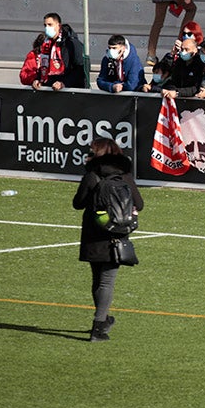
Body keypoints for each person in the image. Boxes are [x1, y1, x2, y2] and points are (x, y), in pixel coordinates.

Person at [72, 137, 143, 342]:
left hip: (94, 233)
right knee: (107, 281)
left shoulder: (92, 176)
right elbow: (140, 203)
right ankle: (98, 327)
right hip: (117, 233)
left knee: (98, 280)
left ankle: (101, 321)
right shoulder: (125, 176)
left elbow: (78, 203)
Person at [31, 13, 86, 90]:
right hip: (49, 88)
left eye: (50, 25)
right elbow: (44, 66)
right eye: (45, 25)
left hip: (69, 90)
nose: (47, 28)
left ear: (59, 26)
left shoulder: (71, 43)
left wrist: (64, 83)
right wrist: (38, 79)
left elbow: (80, 70)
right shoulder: (46, 44)